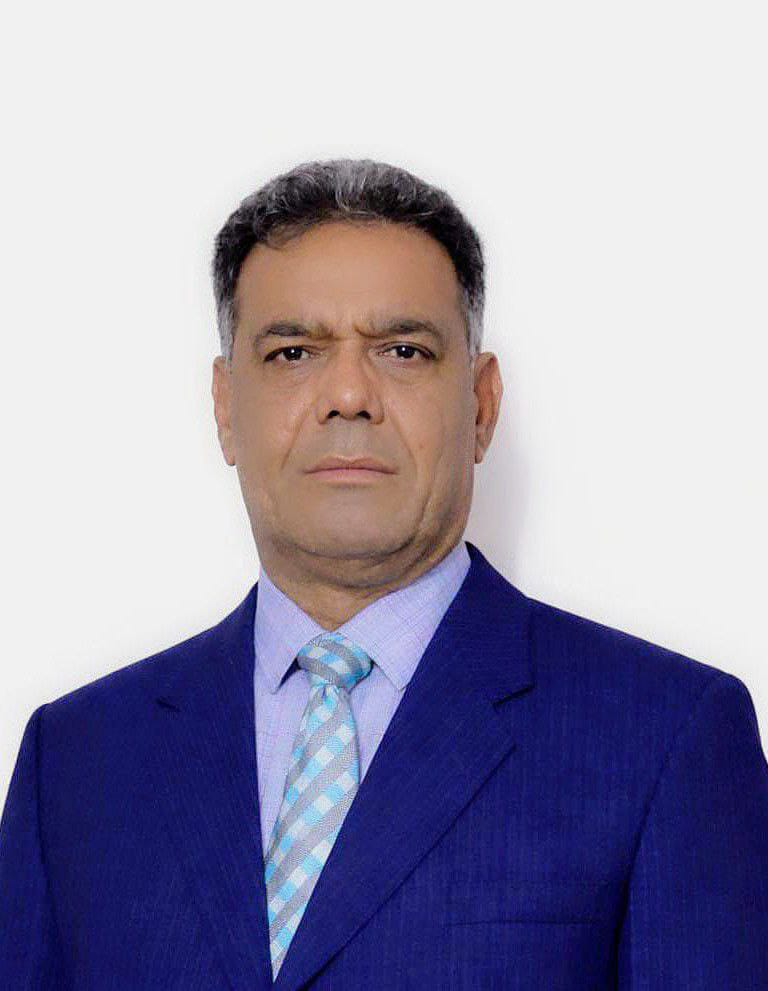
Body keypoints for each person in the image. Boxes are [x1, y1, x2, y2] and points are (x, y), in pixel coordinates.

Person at [1, 158, 767, 990]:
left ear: (481, 403)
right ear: (225, 407)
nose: (348, 394)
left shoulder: (667, 738)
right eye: (293, 352)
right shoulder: (75, 759)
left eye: (403, 350)